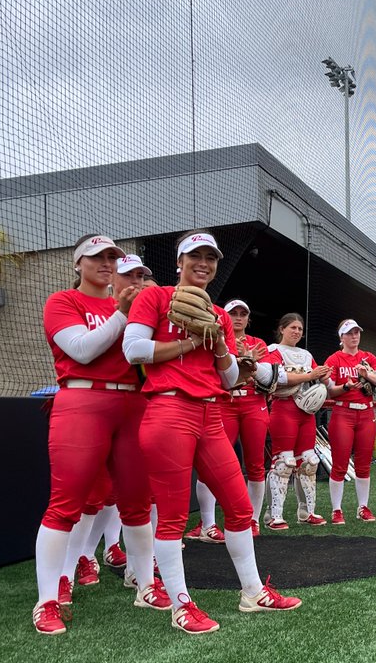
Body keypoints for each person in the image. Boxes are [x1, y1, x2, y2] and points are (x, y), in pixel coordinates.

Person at [124, 231, 300, 633]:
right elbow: (133, 351)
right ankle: (181, 606)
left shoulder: (220, 314)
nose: (203, 263)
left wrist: (222, 346)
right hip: (168, 407)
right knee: (170, 517)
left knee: (239, 506)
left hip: (210, 413)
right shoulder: (156, 297)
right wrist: (190, 343)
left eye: (211, 258)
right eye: (195, 256)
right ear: (179, 261)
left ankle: (252, 592)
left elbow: (229, 378)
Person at [32, 235, 170, 635]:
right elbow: (83, 350)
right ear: (78, 263)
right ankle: (48, 599)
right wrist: (125, 313)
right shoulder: (63, 301)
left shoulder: (132, 304)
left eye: (112, 256)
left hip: (132, 404)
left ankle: (144, 583)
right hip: (81, 401)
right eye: (97, 257)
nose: (106, 263)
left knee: (137, 503)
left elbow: (149, 355)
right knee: (66, 503)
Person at [186, 299, 273, 541]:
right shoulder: (214, 338)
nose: (238, 317)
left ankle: (253, 521)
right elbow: (211, 370)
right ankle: (208, 524)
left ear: (248, 318)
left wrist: (250, 362)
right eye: (232, 313)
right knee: (209, 465)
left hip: (253, 403)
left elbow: (267, 377)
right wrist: (239, 360)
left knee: (256, 464)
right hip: (225, 402)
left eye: (242, 313)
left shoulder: (258, 343)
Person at [264, 312, 330, 530]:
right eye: (292, 327)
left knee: (309, 463)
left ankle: (307, 511)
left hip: (306, 412)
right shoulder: (273, 351)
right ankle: (273, 515)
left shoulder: (306, 354)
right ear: (281, 329)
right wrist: (311, 375)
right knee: (283, 463)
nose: (296, 332)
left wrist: (323, 376)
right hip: (284, 409)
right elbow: (278, 378)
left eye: (300, 329)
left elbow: (319, 377)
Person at [323, 319, 376, 524]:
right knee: (340, 463)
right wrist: (346, 387)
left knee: (363, 464)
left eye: (357, 332)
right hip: (343, 412)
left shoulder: (367, 357)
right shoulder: (334, 359)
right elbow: (329, 390)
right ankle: (336, 510)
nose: (354, 336)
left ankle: (363, 507)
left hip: (366, 414)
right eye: (350, 333)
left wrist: (366, 374)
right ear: (341, 337)